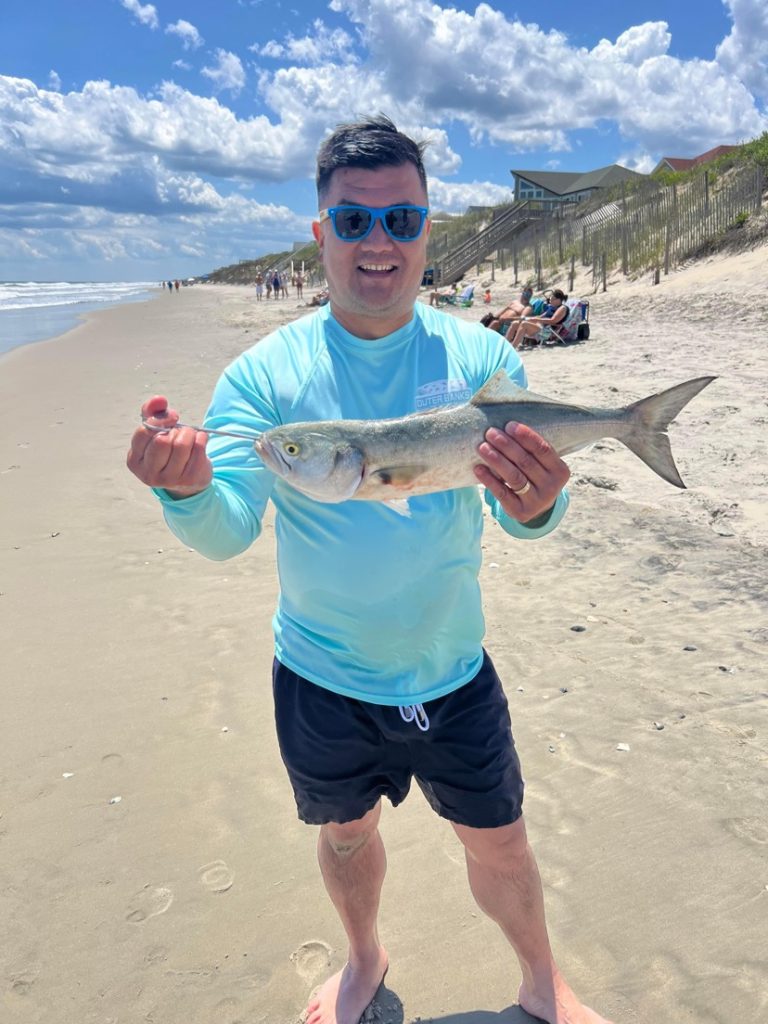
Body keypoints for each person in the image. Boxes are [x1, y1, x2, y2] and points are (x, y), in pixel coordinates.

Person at [127, 115, 611, 1024]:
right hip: (321, 675)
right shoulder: (266, 381)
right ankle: (362, 960)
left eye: (401, 220)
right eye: (353, 223)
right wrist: (187, 491)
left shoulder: (481, 360)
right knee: (345, 837)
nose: (378, 243)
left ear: (430, 227)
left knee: (501, 843)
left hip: (453, 668)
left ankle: (544, 984)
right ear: (321, 234)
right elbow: (230, 529)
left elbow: (535, 525)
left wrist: (539, 501)